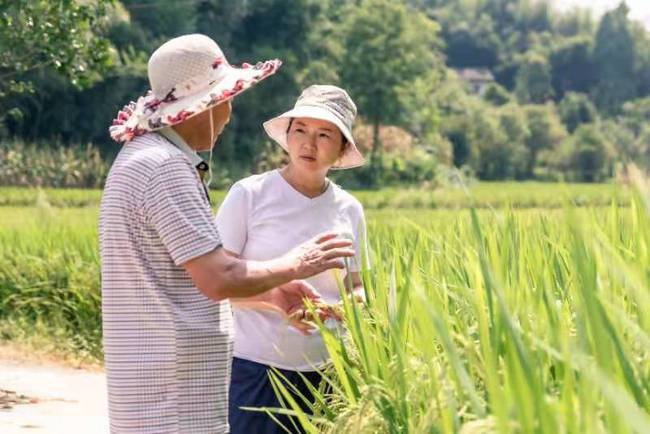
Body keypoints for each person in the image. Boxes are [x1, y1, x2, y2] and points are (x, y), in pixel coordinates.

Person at [100, 35, 354, 434]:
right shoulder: (164, 168)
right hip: (174, 392)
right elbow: (219, 278)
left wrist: (272, 294)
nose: (230, 112)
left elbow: (193, 273)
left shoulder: (146, 158)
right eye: (225, 99)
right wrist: (296, 264)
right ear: (201, 106)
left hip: (163, 383)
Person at [215, 85, 369, 433]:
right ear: (287, 135)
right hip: (255, 370)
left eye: (324, 134)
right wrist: (273, 302)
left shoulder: (350, 209)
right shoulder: (249, 195)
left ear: (343, 147)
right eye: (300, 130)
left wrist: (346, 308)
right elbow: (215, 285)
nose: (308, 144)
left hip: (328, 375)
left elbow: (357, 286)